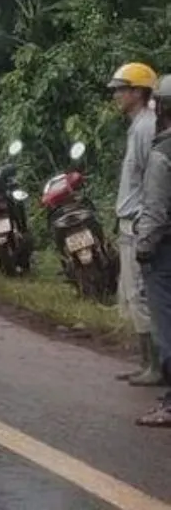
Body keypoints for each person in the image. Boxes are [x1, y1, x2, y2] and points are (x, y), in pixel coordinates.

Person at [109, 62, 163, 386]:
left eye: (122, 89)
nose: (117, 95)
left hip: (138, 224)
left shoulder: (146, 127)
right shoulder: (139, 124)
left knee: (140, 296)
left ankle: (155, 366)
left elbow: (150, 180)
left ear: (139, 92)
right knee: (134, 295)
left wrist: (144, 223)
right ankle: (147, 363)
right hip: (130, 222)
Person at [134, 74, 171, 426]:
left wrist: (143, 247)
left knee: (166, 326)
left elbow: (156, 210)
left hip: (164, 251)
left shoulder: (162, 155)